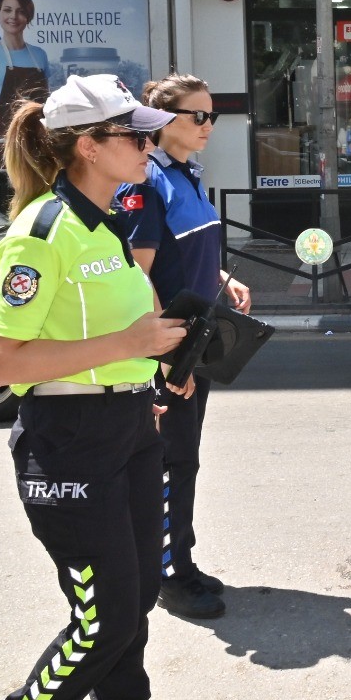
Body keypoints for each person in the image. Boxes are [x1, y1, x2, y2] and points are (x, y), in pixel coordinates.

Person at [0, 74, 187, 700]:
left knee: (136, 605)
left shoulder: (109, 223)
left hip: (127, 428)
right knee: (104, 622)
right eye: (134, 133)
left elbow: (118, 334)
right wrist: (126, 344)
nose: (149, 142)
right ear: (91, 147)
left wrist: (158, 366)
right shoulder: (40, 232)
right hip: (67, 439)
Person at [115, 74, 251, 621]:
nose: (208, 126)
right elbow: (140, 275)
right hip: (170, 348)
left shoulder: (187, 175)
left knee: (184, 459)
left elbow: (183, 254)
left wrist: (221, 277)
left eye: (212, 116)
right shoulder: (148, 184)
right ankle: (171, 574)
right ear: (164, 121)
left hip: (194, 340)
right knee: (172, 463)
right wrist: (168, 354)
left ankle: (179, 560)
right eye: (198, 116)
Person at [0, 0, 57, 169]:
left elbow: (46, 103)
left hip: (36, 145)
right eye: (7, 10)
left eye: (20, 11)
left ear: (28, 17)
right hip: (3, 146)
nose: (13, 16)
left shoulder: (39, 55)